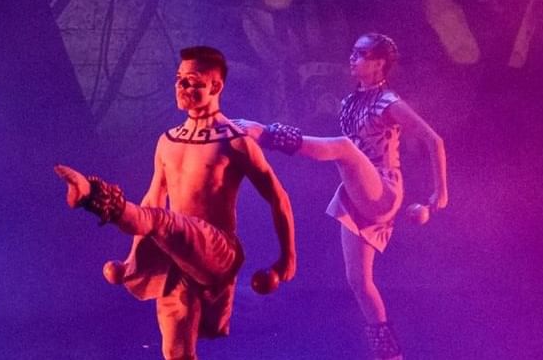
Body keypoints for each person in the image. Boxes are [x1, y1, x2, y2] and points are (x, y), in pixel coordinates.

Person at [54, 46, 296, 360]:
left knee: (166, 221)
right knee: (175, 352)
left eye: (191, 81)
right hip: (177, 256)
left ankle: (92, 196)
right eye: (179, 80)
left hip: (217, 247)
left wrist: (287, 257)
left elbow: (278, 197)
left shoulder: (235, 142)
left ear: (215, 86)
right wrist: (132, 260)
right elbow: (152, 200)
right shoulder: (167, 141)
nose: (181, 88)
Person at [246, 33, 449, 360]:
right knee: (359, 282)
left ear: (379, 63)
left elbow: (433, 139)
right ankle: (391, 356)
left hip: (383, 189)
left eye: (360, 54)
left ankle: (267, 133)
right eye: (353, 52)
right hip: (357, 193)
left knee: (343, 148)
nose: (352, 58)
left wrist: (440, 192)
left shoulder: (389, 102)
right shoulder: (351, 102)